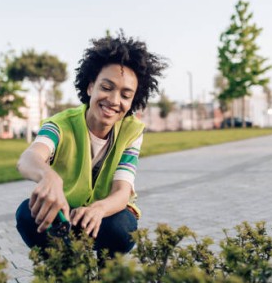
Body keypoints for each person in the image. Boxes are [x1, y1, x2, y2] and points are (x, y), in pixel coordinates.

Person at [15, 33, 167, 256]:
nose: (114, 100)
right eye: (106, 87)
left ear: (133, 100)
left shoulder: (131, 131)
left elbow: (122, 191)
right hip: (64, 216)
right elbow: (28, 159)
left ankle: (108, 278)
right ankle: (66, 270)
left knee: (121, 227)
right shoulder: (60, 124)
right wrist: (49, 177)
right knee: (26, 214)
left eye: (125, 95)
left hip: (106, 216)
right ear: (90, 87)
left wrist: (99, 208)